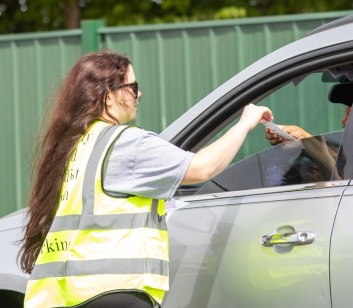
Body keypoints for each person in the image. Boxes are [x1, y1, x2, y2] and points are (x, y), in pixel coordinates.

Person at [18, 50, 273, 308]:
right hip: (116, 292)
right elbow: (203, 168)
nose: (139, 94)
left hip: (68, 296)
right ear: (109, 97)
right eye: (133, 87)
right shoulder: (125, 143)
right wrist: (245, 124)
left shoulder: (75, 147)